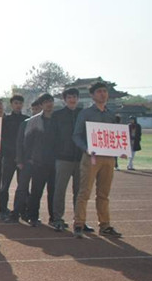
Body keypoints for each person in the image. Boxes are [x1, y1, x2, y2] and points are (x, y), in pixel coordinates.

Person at [72, 81, 125, 238]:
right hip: (91, 157)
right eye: (99, 91)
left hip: (108, 158)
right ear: (92, 95)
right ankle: (79, 224)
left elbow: (116, 135)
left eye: (104, 91)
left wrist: (122, 150)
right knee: (84, 192)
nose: (103, 94)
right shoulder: (86, 113)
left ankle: (105, 225)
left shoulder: (111, 114)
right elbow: (76, 135)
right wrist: (86, 149)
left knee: (104, 193)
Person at [50, 88, 83, 232]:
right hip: (63, 158)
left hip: (81, 158)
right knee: (60, 190)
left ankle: (79, 220)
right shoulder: (57, 115)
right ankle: (57, 218)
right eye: (69, 97)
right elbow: (52, 137)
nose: (72, 99)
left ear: (78, 98)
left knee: (80, 191)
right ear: (64, 99)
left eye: (74, 97)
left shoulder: (83, 114)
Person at [22, 93, 56, 227]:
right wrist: (29, 158)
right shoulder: (34, 121)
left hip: (55, 161)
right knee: (36, 191)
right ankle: (33, 216)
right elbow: (27, 141)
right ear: (41, 105)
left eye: (51, 101)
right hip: (38, 161)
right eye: (46, 102)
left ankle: (54, 218)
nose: (49, 104)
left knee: (54, 191)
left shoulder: (58, 119)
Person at [0, 95, 26, 217]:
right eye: (16, 103)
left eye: (20, 103)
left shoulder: (27, 120)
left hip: (23, 158)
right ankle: (2, 210)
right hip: (9, 157)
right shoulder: (6, 120)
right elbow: (1, 138)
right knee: (5, 185)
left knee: (23, 185)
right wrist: (7, 152)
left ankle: (20, 210)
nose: (18, 105)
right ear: (11, 104)